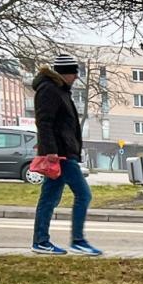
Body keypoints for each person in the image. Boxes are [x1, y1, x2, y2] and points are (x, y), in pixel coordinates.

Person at [31, 52, 99, 256]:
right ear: (64, 73)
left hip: (62, 153)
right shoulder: (50, 90)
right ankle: (77, 241)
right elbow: (44, 122)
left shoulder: (60, 89)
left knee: (49, 198)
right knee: (83, 195)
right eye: (73, 73)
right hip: (60, 155)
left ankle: (41, 241)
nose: (76, 76)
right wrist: (51, 150)